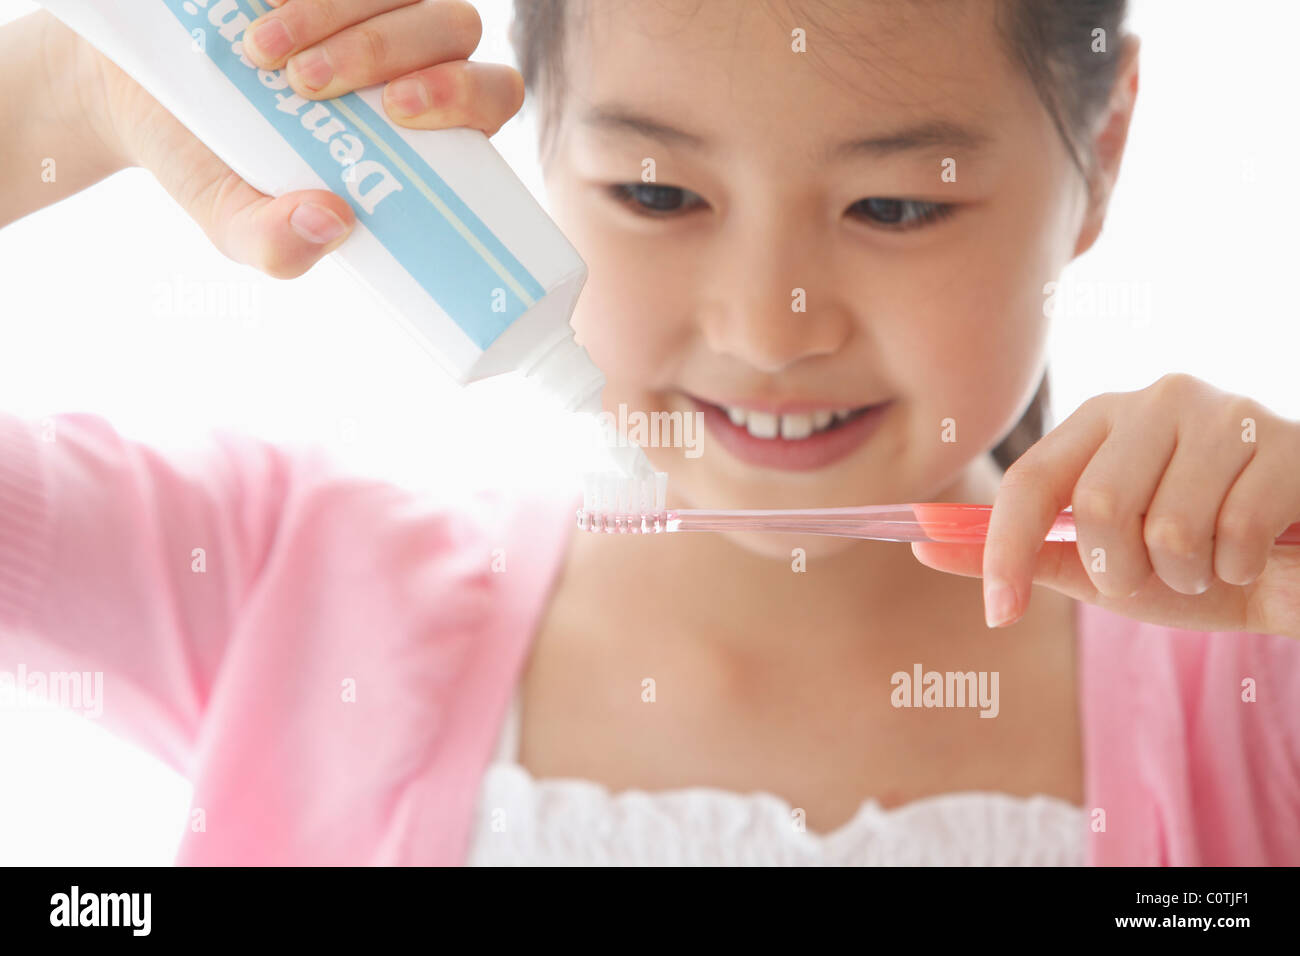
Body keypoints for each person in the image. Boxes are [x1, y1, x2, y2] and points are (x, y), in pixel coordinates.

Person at [2, 0, 1297, 865]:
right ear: (538, 147)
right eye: (659, 192)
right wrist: (61, 93)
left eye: (897, 207)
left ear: (1105, 148)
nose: (769, 329)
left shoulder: (1259, 688)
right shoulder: (268, 584)